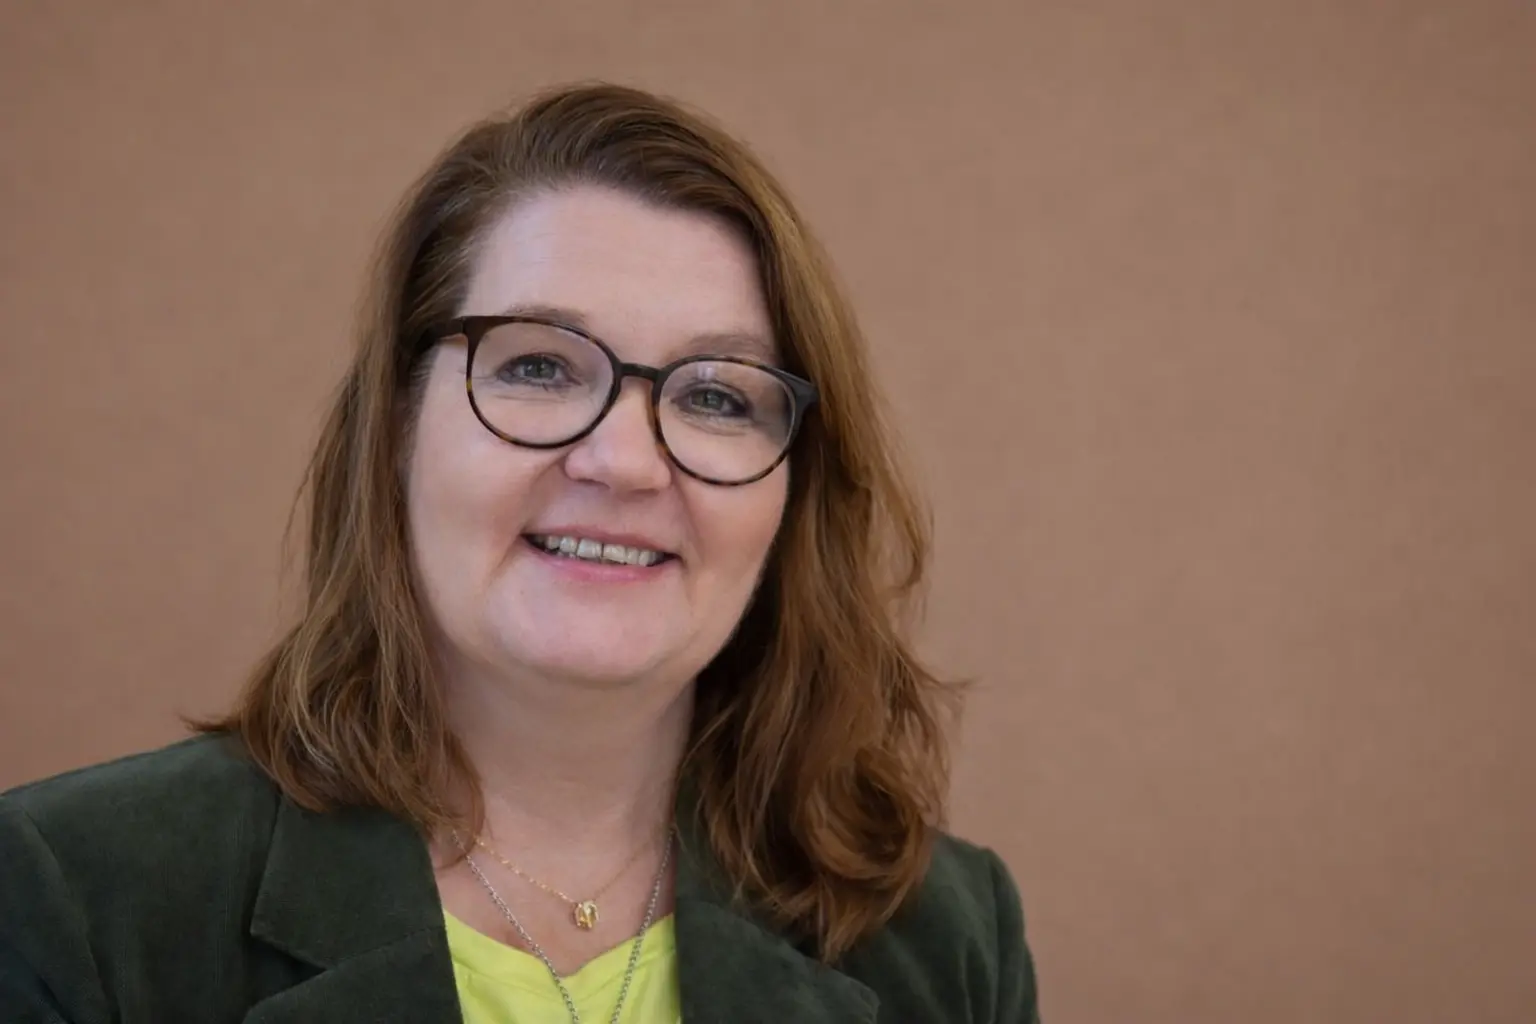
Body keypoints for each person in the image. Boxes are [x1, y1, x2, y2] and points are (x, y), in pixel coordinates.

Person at [0, 82, 1041, 1023]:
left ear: (793, 488)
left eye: (717, 396)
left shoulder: (946, 938)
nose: (623, 461)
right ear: (397, 426)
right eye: (539, 367)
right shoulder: (74, 897)